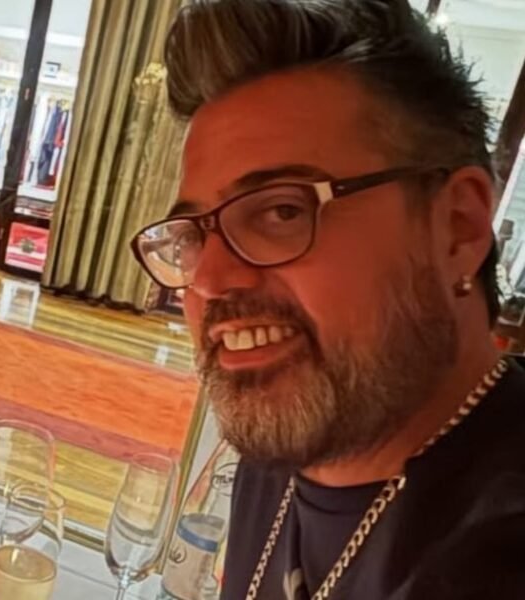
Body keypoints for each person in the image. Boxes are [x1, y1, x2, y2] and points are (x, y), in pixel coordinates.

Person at [130, 1, 525, 598]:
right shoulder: (282, 453)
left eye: (282, 211)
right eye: (192, 237)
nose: (208, 279)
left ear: (458, 227)